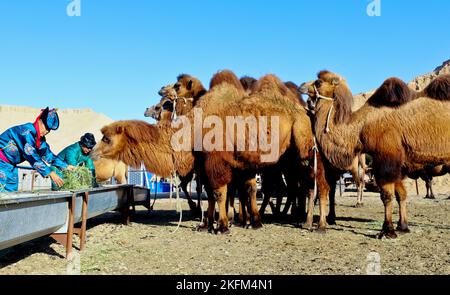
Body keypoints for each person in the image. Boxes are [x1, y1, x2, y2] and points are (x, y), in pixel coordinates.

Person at [0, 107, 75, 192]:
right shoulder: (26, 132)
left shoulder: (40, 140)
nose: (47, 131)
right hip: (1, 163)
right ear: (39, 121)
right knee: (3, 191)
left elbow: (48, 155)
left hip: (10, 166)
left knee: (11, 190)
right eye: (46, 127)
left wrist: (65, 166)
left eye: (49, 129)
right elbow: (31, 155)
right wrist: (50, 172)